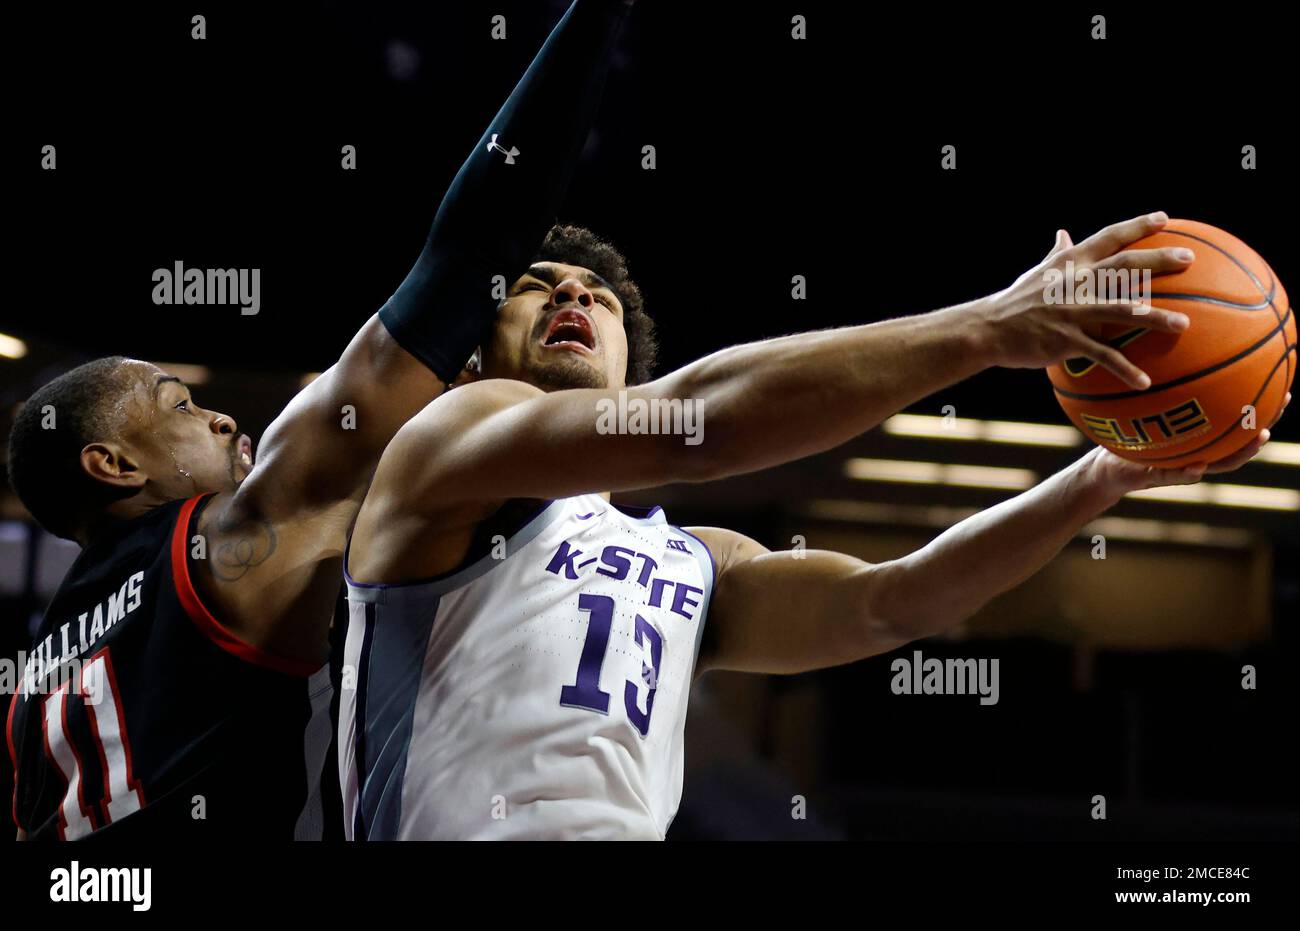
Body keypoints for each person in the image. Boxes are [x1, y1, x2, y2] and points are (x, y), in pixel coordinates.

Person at [340, 212, 1285, 839]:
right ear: (468, 363)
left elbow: (890, 604)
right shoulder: (445, 445)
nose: (575, 295)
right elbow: (697, 428)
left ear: (628, 361)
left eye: (599, 294)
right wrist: (992, 325)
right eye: (538, 285)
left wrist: (1098, 478)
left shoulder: (689, 559)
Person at [4, 0, 635, 840]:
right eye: (182, 407)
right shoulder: (237, 534)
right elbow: (471, 254)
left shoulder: (34, 683)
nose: (228, 422)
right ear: (113, 466)